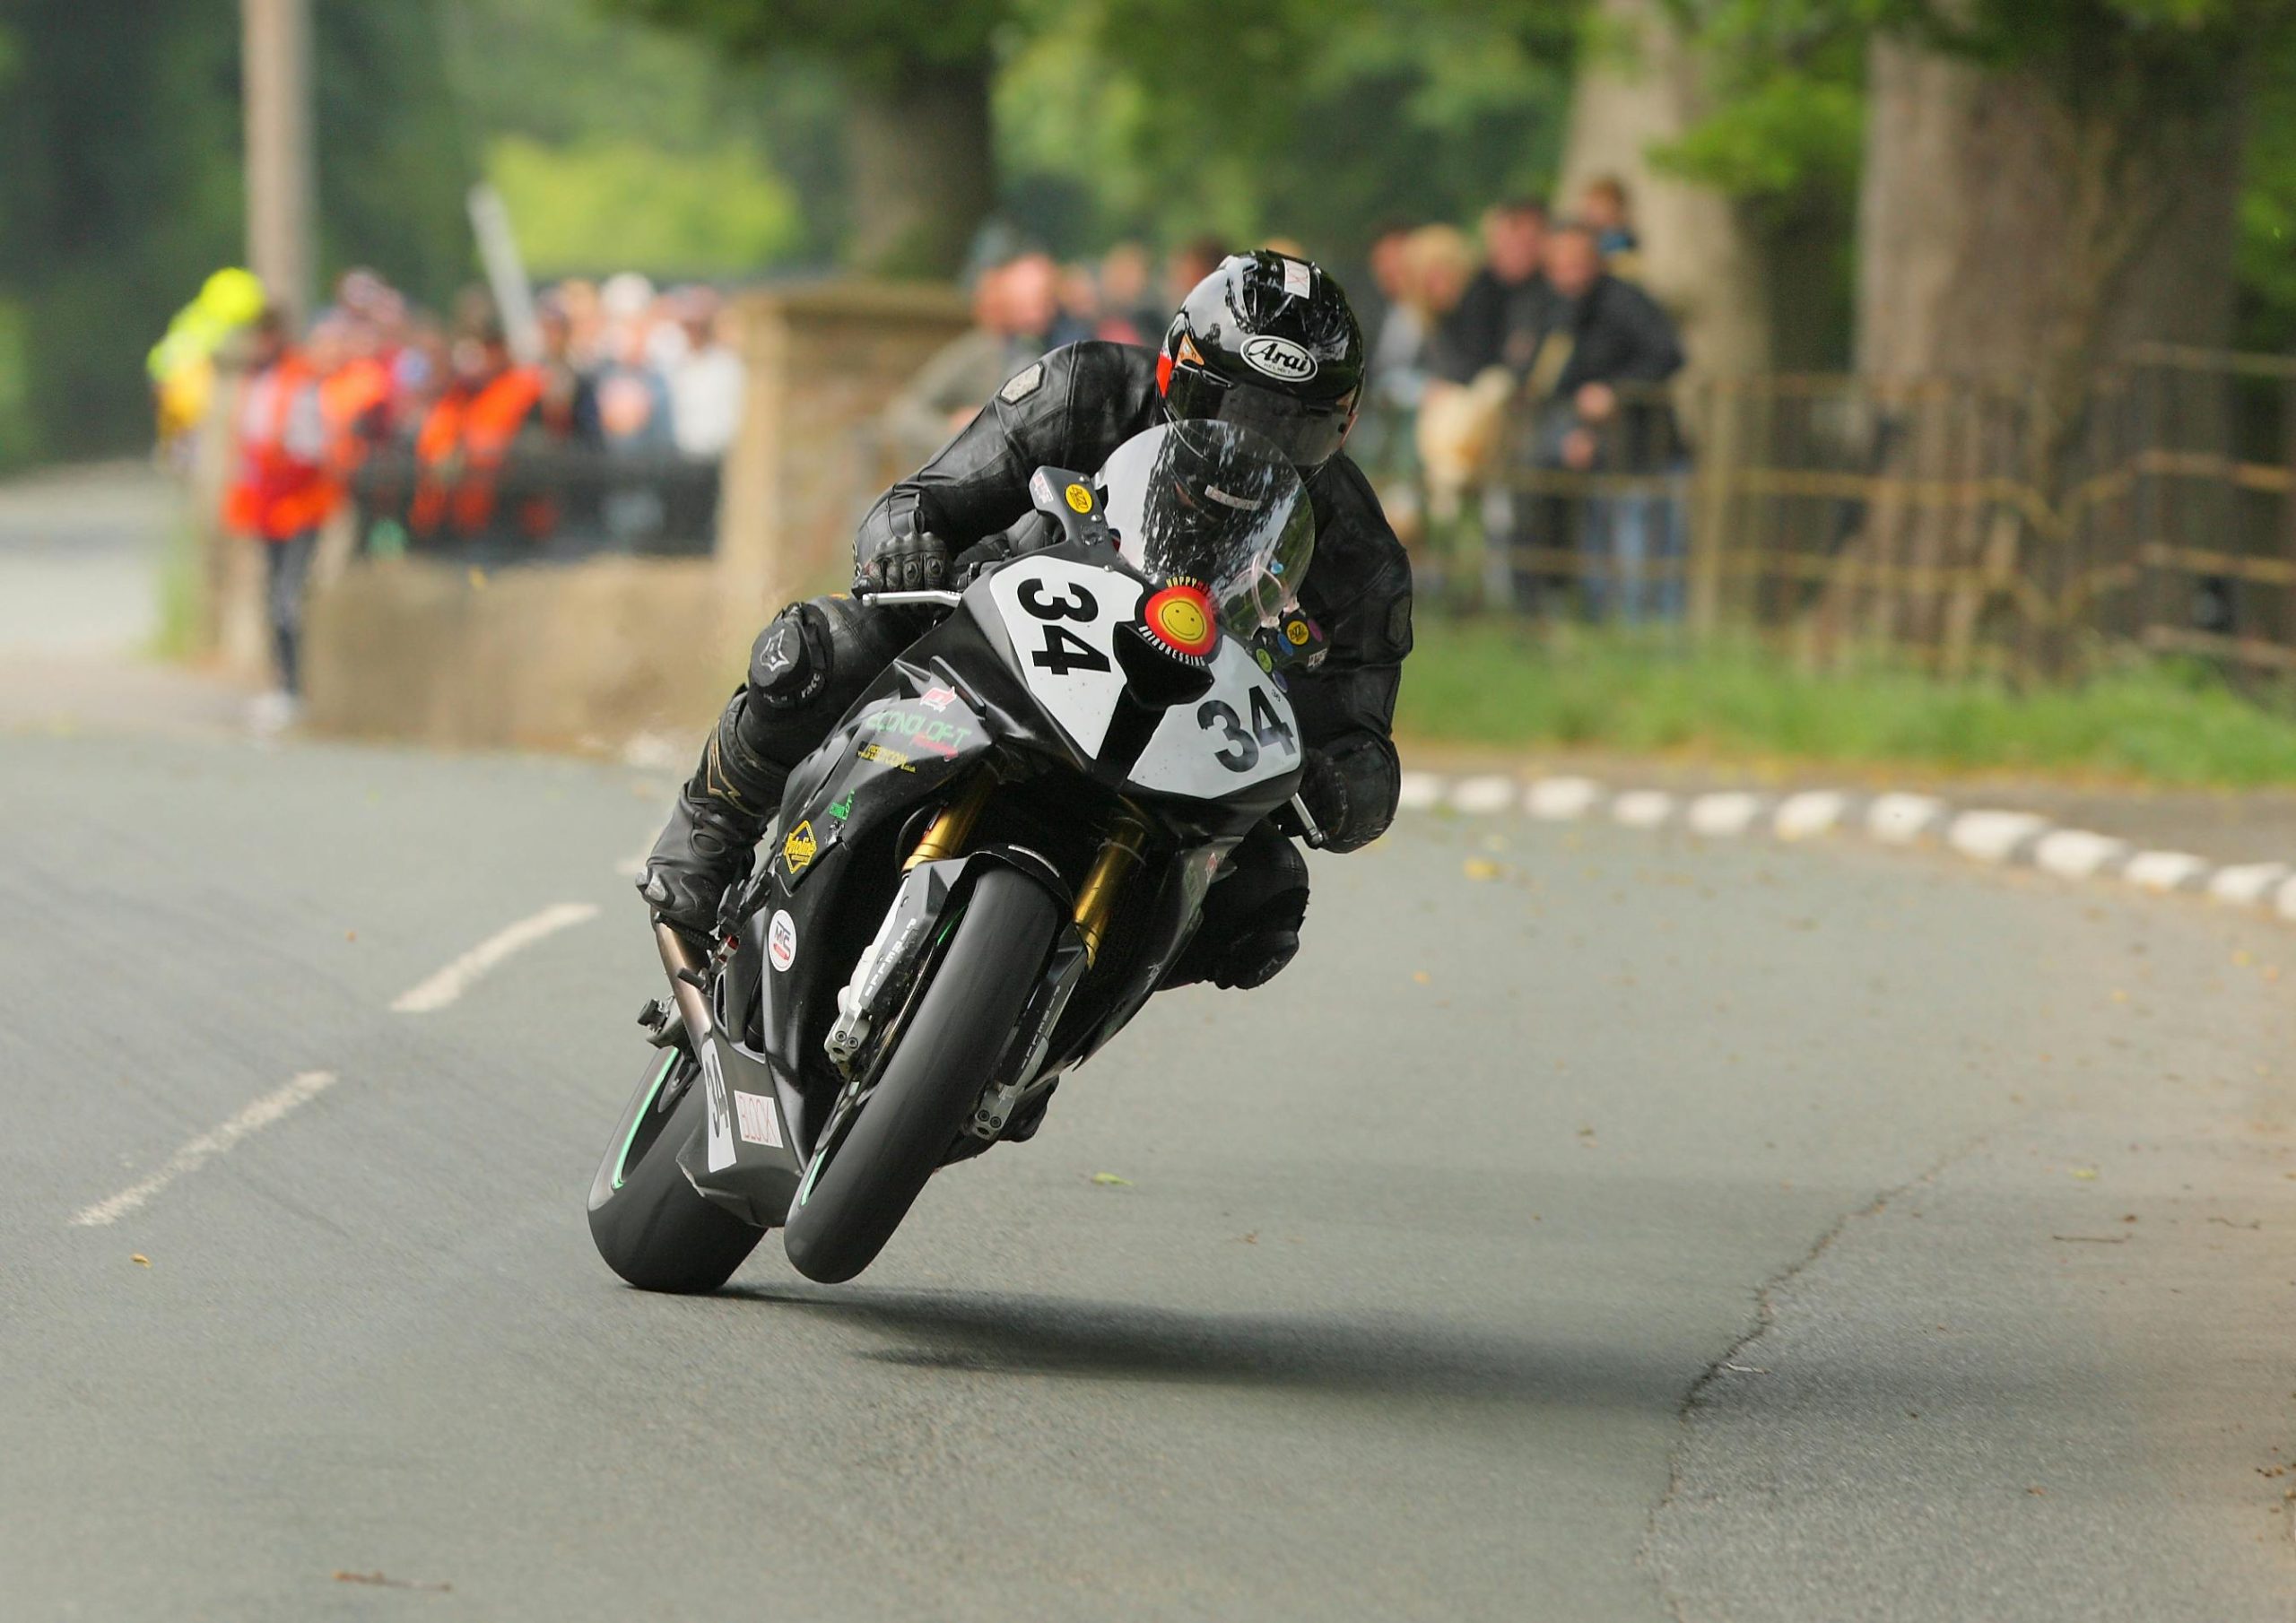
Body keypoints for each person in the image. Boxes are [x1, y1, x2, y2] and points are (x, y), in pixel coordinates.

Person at [639, 251, 1413, 994]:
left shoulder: (1360, 557)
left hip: (1181, 742)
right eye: (1232, 407)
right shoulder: (1086, 390)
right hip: (1002, 649)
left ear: (1338, 429)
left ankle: (1062, 1005)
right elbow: (919, 502)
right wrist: (906, 548)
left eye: (1291, 426)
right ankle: (710, 831)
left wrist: (1345, 780)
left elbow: (1363, 732)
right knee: (819, 649)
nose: (1253, 444)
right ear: (1177, 374)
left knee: (1264, 907)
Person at [1536, 221, 1686, 621]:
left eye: (1576, 263)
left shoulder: (1626, 301)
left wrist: (1615, 393)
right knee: (1601, 571)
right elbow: (1563, 387)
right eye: (1559, 265)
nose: (1568, 274)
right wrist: (1574, 431)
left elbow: (1668, 355)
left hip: (1646, 454)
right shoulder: (1561, 313)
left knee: (1648, 568)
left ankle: (1657, 651)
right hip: (1600, 458)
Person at [222, 307, 337, 723]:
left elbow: (310, 448)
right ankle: (281, 684)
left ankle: (295, 687)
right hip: (268, 510)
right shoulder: (257, 381)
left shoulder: (298, 381)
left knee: (288, 599)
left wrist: (278, 459)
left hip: (299, 507)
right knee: (272, 597)